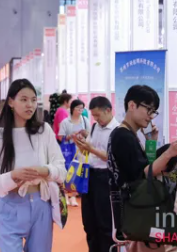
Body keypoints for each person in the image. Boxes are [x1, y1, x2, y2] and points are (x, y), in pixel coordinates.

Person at [0, 79, 66, 252]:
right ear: (11, 102)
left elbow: (61, 170)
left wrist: (45, 170)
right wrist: (13, 175)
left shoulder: (44, 130)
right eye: (23, 99)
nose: (30, 105)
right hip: (10, 205)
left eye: (33, 100)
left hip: (41, 204)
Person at [107, 85, 177, 252]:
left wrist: (151, 142)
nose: (151, 116)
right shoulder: (123, 136)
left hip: (138, 211)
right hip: (138, 212)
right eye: (148, 110)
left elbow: (145, 166)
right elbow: (144, 174)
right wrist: (169, 153)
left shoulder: (127, 135)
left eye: (153, 111)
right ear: (132, 105)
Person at [74, 96, 118, 252]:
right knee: (89, 222)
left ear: (108, 110)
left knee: (105, 223)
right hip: (90, 176)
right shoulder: (94, 127)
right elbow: (88, 152)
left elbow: (112, 158)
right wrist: (81, 145)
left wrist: (90, 149)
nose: (96, 119)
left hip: (105, 178)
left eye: (98, 115)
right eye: (94, 116)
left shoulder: (117, 131)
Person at [57, 99, 89, 207]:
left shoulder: (85, 120)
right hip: (68, 151)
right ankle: (66, 195)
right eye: (78, 108)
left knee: (77, 173)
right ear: (72, 109)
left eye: (82, 108)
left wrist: (83, 134)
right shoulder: (65, 122)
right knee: (67, 172)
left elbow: (89, 134)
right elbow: (60, 137)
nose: (80, 110)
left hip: (81, 150)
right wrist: (71, 136)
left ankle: (74, 196)